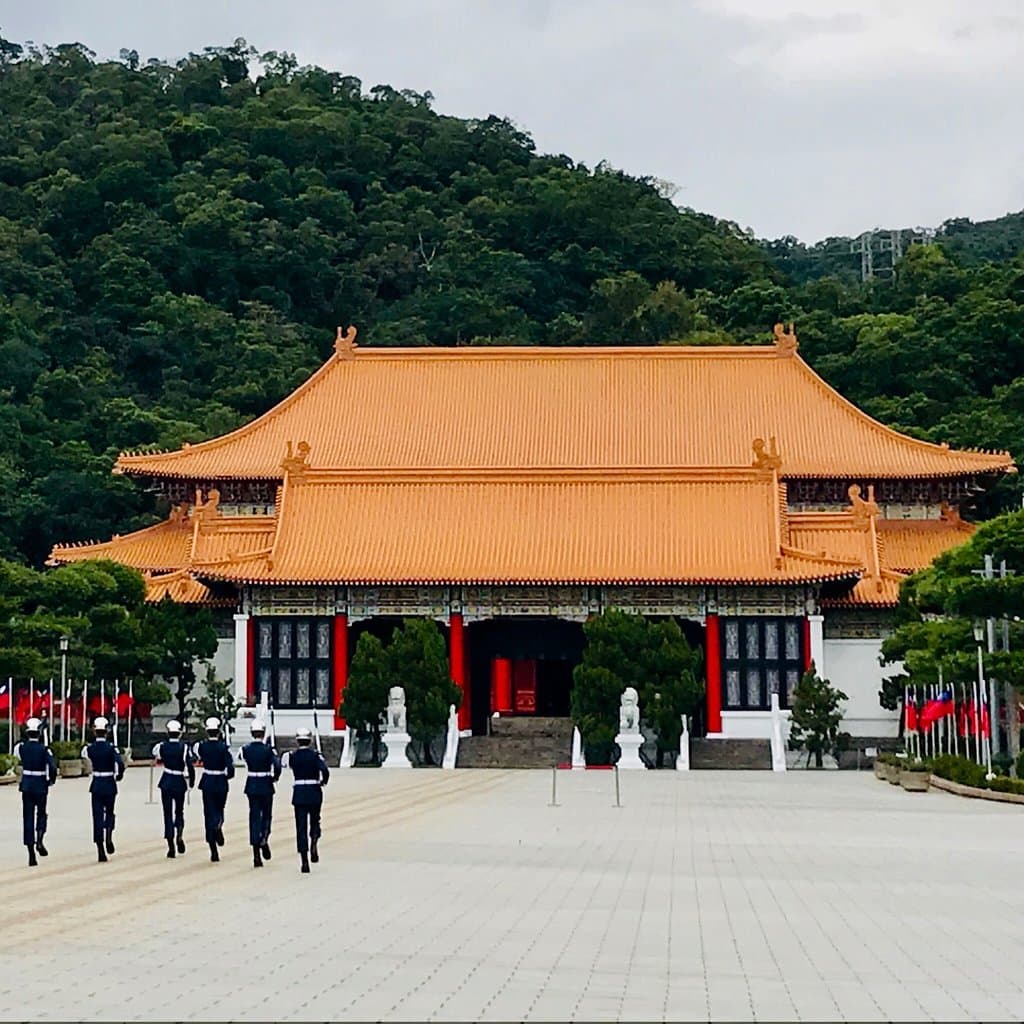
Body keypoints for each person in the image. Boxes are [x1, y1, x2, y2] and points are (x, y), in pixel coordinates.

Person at [284, 727, 329, 874]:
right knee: (315, 820)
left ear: (297, 741)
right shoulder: (316, 756)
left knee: (300, 826)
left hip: (299, 792)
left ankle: (304, 859)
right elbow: (325, 771)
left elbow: (289, 766)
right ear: (310, 740)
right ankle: (314, 842)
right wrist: (323, 782)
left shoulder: (293, 756)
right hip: (314, 791)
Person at [14, 717, 57, 867]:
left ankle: (31, 853)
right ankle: (39, 839)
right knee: (41, 814)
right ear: (39, 733)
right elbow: (52, 767)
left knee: (28, 818)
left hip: (26, 785)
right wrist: (51, 780)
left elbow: (18, 760)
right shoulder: (44, 750)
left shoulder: (21, 747)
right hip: (40, 785)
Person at [81, 716, 125, 863]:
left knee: (97, 816)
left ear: (95, 731)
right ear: (106, 731)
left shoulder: (89, 748)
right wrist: (118, 776)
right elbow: (120, 763)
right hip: (109, 783)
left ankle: (100, 847)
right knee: (110, 813)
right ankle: (109, 836)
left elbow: (85, 756)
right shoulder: (111, 748)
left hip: (96, 783)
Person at [194, 716, 235, 862]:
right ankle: (218, 825)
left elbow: (198, 756)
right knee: (219, 809)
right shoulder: (223, 748)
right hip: (220, 781)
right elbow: (230, 767)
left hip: (207, 781)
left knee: (208, 813)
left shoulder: (202, 746)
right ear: (218, 732)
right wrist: (229, 775)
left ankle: (213, 849)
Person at [241, 720, 281, 868]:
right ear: (263, 733)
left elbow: (241, 759)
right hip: (266, 784)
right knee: (266, 815)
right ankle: (264, 836)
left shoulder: (246, 749)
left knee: (254, 817)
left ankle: (256, 853)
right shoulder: (269, 750)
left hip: (252, 784)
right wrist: (275, 777)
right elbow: (277, 765)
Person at [153, 720, 195, 858]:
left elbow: (156, 755)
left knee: (167, 813)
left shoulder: (161, 746)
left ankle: (170, 843)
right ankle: (179, 835)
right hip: (179, 781)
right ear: (180, 733)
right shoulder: (184, 748)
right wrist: (192, 781)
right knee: (179, 811)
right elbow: (189, 765)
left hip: (166, 780)